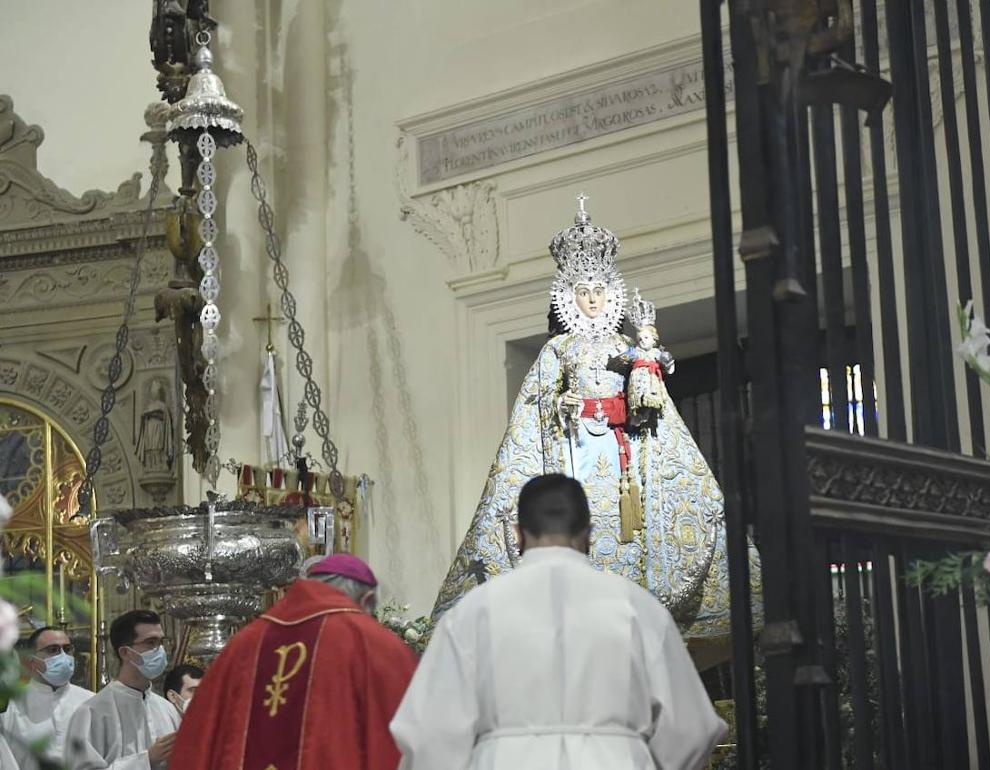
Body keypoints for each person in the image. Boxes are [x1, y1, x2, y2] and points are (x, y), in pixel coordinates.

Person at [431, 195, 759, 641]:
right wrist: (560, 406)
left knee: (635, 525)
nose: (591, 300)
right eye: (583, 293)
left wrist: (644, 377)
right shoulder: (557, 350)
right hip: (576, 449)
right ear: (569, 296)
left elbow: (651, 404)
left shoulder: (624, 347)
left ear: (611, 293)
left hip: (624, 456)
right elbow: (536, 404)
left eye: (599, 291)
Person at [392, 474, 726, 770]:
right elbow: (691, 728)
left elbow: (429, 735)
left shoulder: (473, 613)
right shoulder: (638, 609)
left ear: (519, 534)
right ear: (589, 535)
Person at [169, 553, 418, 769]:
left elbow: (197, 744)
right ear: (366, 601)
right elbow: (403, 744)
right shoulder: (374, 644)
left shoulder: (245, 643)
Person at [64, 609, 181, 770]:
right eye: (150, 643)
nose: (160, 650)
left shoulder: (167, 709)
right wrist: (146, 760)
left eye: (161, 642)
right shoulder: (91, 712)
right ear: (125, 652)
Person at [0, 627, 93, 769]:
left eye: (67, 649)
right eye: (53, 650)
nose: (63, 656)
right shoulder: (11, 705)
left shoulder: (91, 701)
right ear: (31, 660)